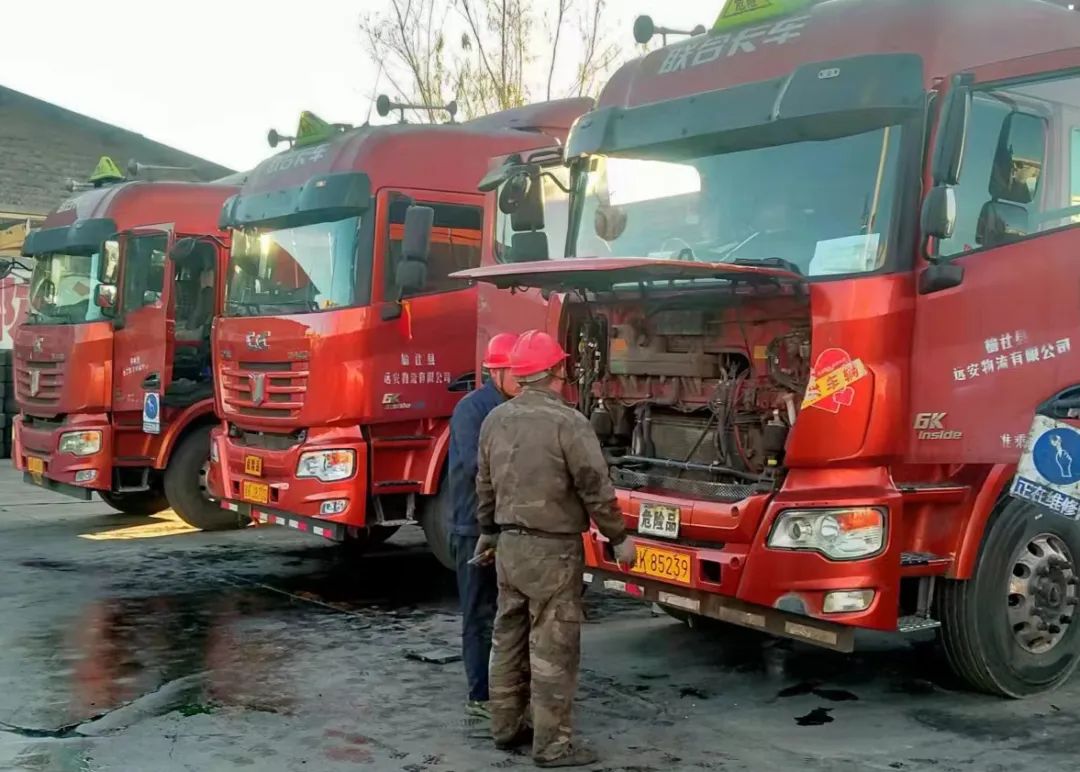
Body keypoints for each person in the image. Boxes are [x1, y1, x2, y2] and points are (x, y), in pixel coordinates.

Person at [475, 330, 637, 768]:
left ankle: (505, 728)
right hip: (552, 550)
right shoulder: (568, 422)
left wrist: (488, 532)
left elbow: (484, 484)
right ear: (557, 371)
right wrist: (619, 537)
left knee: (507, 638)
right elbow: (594, 487)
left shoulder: (495, 419)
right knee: (552, 646)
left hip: (509, 546)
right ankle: (551, 747)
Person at [447, 333, 520, 720]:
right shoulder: (473, 410)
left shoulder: (517, 407)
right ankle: (480, 695)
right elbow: (480, 469)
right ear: (497, 370)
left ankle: (507, 690)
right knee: (479, 613)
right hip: (473, 526)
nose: (524, 380)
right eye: (518, 372)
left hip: (507, 526)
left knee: (506, 613)